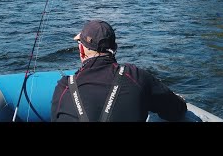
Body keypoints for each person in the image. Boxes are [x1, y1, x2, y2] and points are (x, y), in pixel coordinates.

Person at [51, 20, 187, 122]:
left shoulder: (64, 87)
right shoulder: (137, 77)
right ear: (115, 48)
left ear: (81, 50)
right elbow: (177, 110)